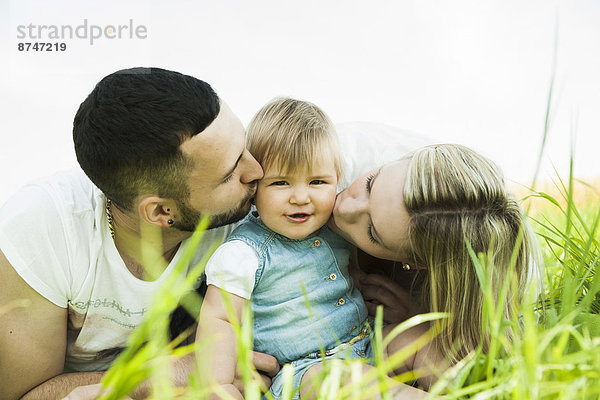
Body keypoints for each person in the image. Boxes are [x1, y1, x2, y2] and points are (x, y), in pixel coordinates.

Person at [0, 67, 280, 400]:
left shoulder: (249, 208)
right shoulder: (45, 230)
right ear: (162, 212)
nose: (257, 172)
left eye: (244, 147)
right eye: (230, 173)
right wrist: (176, 370)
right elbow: (24, 395)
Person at [197, 98, 430, 400]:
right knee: (346, 380)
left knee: (421, 339)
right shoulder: (243, 253)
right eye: (281, 183)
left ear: (337, 180)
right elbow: (220, 319)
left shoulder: (336, 230)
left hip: (367, 341)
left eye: (317, 181)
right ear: (254, 188)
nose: (300, 197)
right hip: (304, 371)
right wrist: (218, 386)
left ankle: (482, 382)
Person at [328, 143, 543, 389]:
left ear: (416, 264)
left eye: (372, 232)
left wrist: (422, 317)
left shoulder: (493, 275)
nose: (344, 207)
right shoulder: (329, 160)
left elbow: (489, 353)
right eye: (369, 184)